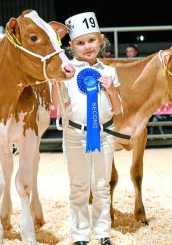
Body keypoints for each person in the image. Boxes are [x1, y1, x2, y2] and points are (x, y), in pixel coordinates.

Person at [52, 12, 123, 245]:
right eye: (80, 43)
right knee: (79, 186)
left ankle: (103, 233)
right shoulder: (67, 71)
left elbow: (119, 109)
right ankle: (80, 235)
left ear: (100, 40)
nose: (87, 47)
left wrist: (111, 90)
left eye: (91, 40)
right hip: (74, 135)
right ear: (72, 46)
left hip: (104, 134)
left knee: (102, 186)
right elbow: (57, 104)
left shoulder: (109, 71)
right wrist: (55, 80)